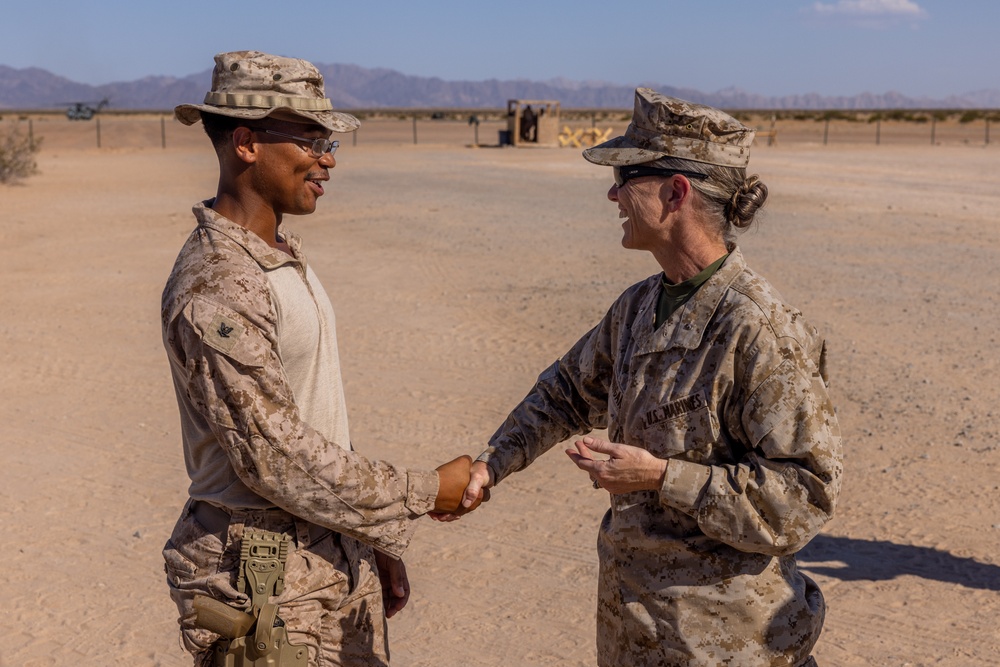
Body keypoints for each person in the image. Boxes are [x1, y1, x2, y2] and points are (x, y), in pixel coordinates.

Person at [455, 88, 843, 666]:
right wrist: (493, 462)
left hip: (725, 644)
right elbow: (564, 393)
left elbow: (803, 500)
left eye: (625, 176)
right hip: (636, 631)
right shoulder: (639, 307)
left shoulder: (759, 330)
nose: (612, 193)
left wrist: (662, 476)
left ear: (676, 192)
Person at [161, 50, 482, 667]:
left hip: (326, 546)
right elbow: (274, 456)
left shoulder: (275, 255)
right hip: (261, 572)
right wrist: (423, 493)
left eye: (329, 139)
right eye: (311, 139)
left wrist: (371, 534)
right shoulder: (217, 283)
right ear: (248, 142)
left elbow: (315, 420)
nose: (329, 158)